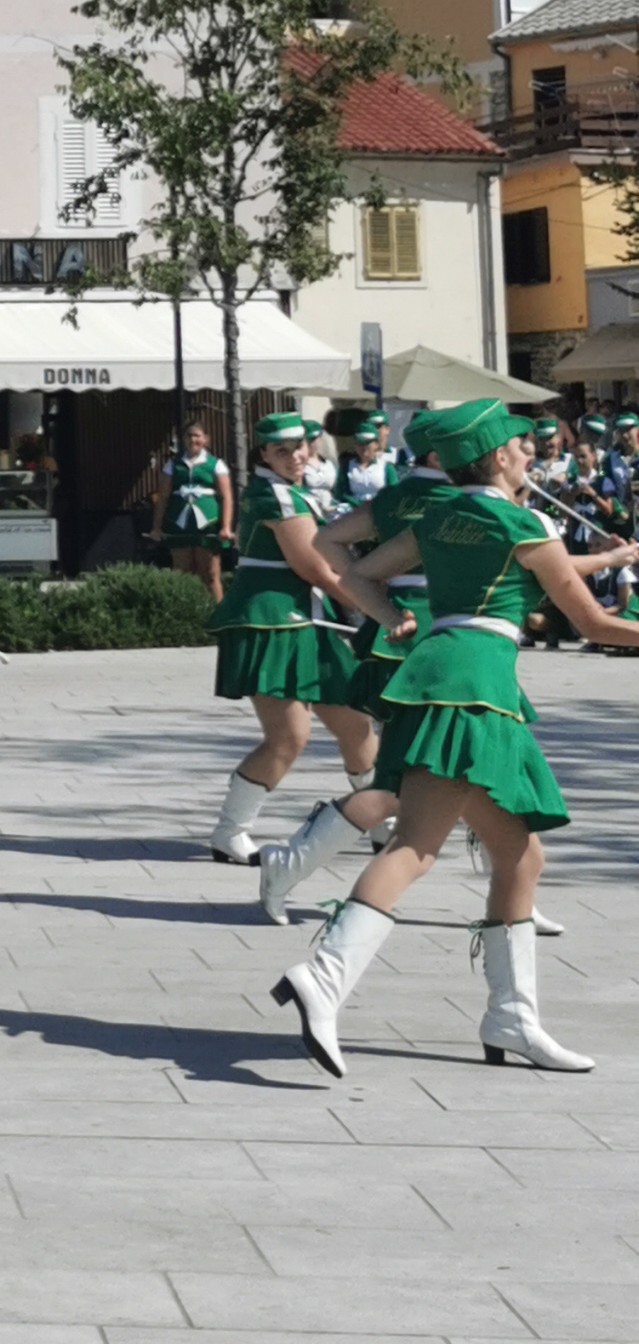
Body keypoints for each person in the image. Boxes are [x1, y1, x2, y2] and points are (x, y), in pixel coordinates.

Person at [275, 398, 639, 1078]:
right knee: (415, 846)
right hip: (477, 689)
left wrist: (392, 618)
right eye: (521, 447)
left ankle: (512, 1018)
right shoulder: (524, 522)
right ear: (498, 457)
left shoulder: (438, 516)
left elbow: (357, 571)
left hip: (435, 676)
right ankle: (323, 977)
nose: (529, 454)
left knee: (519, 855)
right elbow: (592, 623)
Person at [206, 409, 375, 863]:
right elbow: (314, 568)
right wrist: (376, 609)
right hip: (273, 623)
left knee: (356, 724)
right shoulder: (276, 497)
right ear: (263, 453)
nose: (294, 456)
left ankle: (381, 821)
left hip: (306, 621)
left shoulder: (291, 491)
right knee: (288, 736)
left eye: (298, 446)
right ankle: (230, 831)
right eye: (281, 451)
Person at [153, 421, 232, 599]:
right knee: (182, 573)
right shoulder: (173, 465)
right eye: (188, 435)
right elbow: (163, 497)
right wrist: (156, 527)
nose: (192, 439)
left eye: (197, 435)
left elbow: (226, 496)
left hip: (208, 525)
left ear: (206, 439)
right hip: (179, 524)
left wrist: (225, 526)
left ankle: (217, 612)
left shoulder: (216, 464)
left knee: (210, 573)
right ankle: (184, 612)